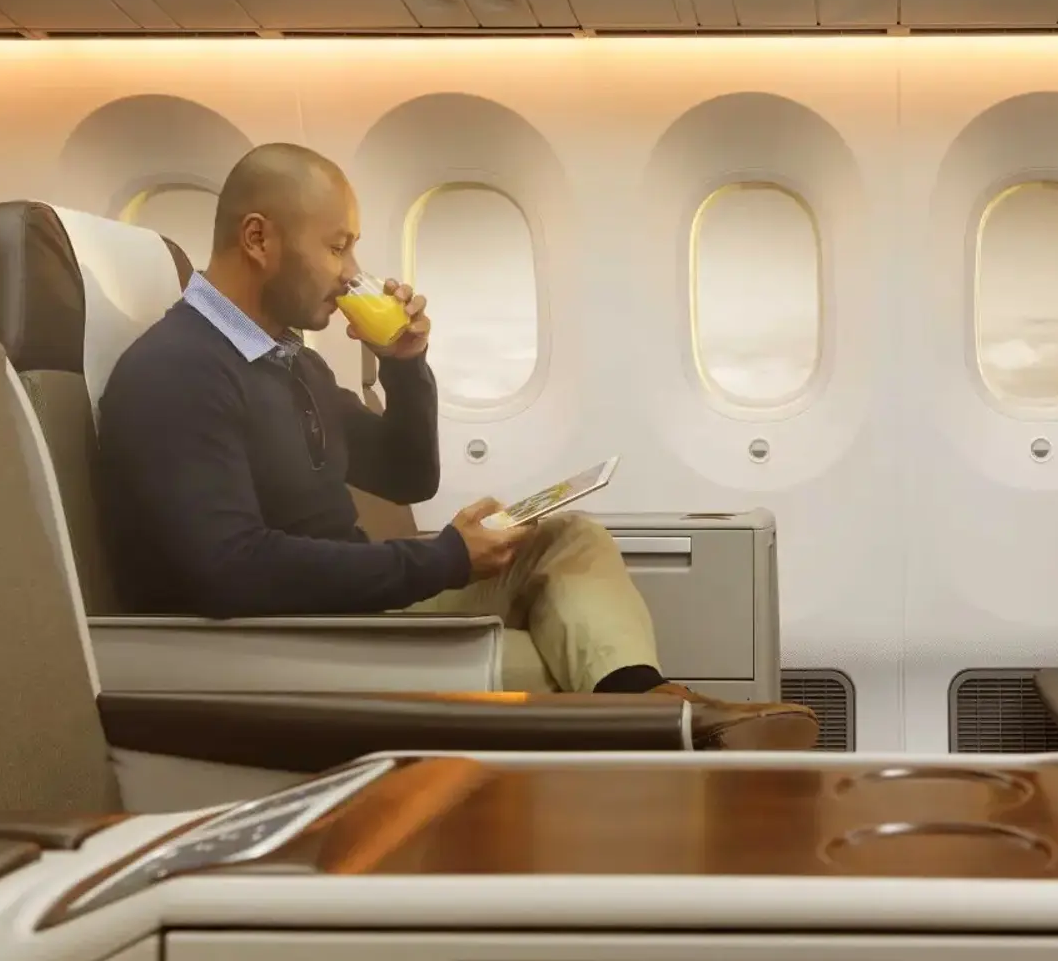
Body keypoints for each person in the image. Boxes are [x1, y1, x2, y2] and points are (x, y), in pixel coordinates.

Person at [96, 142, 818, 750]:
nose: (353, 271)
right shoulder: (176, 373)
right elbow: (229, 570)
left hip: (335, 608)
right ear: (259, 240)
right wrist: (441, 559)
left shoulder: (293, 363)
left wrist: (406, 365)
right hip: (285, 634)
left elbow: (406, 473)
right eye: (338, 245)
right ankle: (662, 731)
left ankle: (649, 707)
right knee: (531, 614)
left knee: (565, 537)